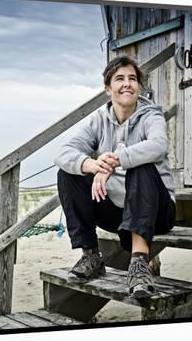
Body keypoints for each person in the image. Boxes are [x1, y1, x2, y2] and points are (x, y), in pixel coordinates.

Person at [54, 56, 176, 298]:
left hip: (157, 211)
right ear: (108, 89)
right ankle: (91, 256)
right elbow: (63, 153)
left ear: (138, 86)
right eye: (119, 79)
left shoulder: (151, 116)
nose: (127, 84)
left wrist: (116, 161)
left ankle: (140, 263)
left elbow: (158, 145)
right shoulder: (99, 121)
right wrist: (92, 165)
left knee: (141, 166)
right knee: (68, 173)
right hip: (117, 211)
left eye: (132, 79)